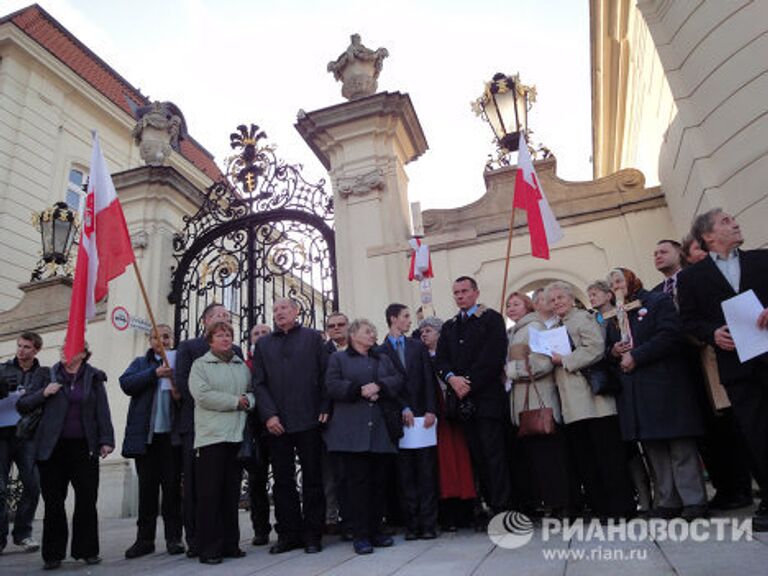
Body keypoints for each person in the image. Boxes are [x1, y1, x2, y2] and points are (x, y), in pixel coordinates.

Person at [677, 208, 768, 532]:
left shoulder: (762, 260)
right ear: (709, 236)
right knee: (756, 433)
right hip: (736, 367)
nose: (736, 222)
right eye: (726, 221)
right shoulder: (691, 279)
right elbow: (688, 320)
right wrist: (711, 332)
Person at [654, 239, 753, 511]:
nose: (657, 256)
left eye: (664, 251)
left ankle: (741, 486)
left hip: (710, 360)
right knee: (704, 431)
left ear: (680, 254)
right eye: (655, 253)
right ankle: (724, 487)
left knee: (727, 426)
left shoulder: (699, 279)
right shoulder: (655, 293)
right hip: (680, 370)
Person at [606, 268, 708, 520]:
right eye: (611, 284)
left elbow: (670, 334)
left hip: (664, 384)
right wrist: (615, 350)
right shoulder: (615, 314)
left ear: (631, 279)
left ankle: (693, 500)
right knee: (654, 447)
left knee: (679, 445)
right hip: (635, 391)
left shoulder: (656, 301)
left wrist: (637, 356)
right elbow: (610, 347)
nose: (616, 286)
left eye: (619, 280)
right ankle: (668, 501)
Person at [17, 342, 114, 570]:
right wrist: (44, 392)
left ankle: (87, 550)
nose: (63, 352)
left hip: (84, 447)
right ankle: (53, 554)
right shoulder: (46, 375)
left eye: (69, 348)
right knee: (53, 502)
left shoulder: (94, 377)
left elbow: (103, 410)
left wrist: (106, 440)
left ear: (82, 354)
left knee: (87, 500)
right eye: (62, 348)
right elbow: (23, 404)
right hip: (52, 449)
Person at [546, 281, 634, 519]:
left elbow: (596, 347)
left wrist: (565, 360)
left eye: (560, 298)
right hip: (572, 405)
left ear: (571, 298)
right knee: (586, 460)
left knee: (609, 458)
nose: (557, 303)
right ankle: (601, 508)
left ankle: (621, 508)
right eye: (552, 300)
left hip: (594, 401)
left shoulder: (582, 318)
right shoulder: (554, 326)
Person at [253, 298, 329, 554]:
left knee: (312, 479)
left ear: (296, 312)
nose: (279, 313)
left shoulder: (312, 338)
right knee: (283, 481)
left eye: (284, 308)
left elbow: (325, 374)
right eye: (275, 309)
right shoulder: (263, 344)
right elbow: (259, 383)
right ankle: (288, 534)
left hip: (309, 420)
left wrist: (324, 408)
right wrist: (269, 415)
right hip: (277, 425)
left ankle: (312, 534)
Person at [324, 318, 403, 554]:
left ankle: (377, 531)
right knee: (357, 486)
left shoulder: (383, 358)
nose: (372, 335)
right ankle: (361, 535)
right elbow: (332, 385)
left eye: (373, 332)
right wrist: (358, 390)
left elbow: (398, 379)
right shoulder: (338, 358)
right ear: (354, 335)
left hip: (379, 431)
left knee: (379, 484)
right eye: (368, 331)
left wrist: (379, 386)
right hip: (351, 432)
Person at [435, 276, 510, 516]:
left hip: (487, 399)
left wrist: (469, 382)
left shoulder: (491, 319)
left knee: (495, 455)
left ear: (476, 293)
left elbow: (493, 356)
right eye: (456, 292)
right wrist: (451, 378)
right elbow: (441, 360)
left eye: (464, 291)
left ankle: (503, 506)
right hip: (462, 402)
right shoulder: (449, 326)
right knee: (477, 457)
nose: (460, 296)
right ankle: (487, 504)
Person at [173, 302, 241, 557]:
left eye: (226, 316)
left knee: (226, 485)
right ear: (205, 321)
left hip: (230, 427)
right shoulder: (190, 348)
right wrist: (220, 403)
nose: (223, 319)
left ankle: (226, 540)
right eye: (217, 316)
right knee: (197, 487)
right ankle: (196, 540)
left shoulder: (235, 350)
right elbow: (185, 385)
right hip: (198, 426)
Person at [189, 322, 254, 564]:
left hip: (235, 436)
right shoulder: (200, 365)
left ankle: (230, 544)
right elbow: (203, 396)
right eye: (219, 335)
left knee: (230, 493)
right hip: (211, 437)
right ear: (210, 340)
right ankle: (209, 548)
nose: (225, 338)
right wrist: (236, 402)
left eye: (228, 335)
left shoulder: (240, 365)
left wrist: (249, 400)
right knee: (209, 495)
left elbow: (251, 391)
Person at [119, 324, 184, 558]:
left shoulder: (178, 361)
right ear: (150, 341)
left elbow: (187, 395)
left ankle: (174, 538)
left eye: (166, 336)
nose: (162, 340)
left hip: (171, 438)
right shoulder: (140, 363)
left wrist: (175, 383)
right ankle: (144, 540)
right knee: (147, 491)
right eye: (157, 337)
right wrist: (154, 374)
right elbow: (126, 384)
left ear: (172, 339)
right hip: (146, 439)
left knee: (171, 491)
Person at [505, 292, 570, 516]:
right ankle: (546, 501)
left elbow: (543, 361)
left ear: (527, 306)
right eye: (508, 305)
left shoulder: (535, 328)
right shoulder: (513, 332)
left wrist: (511, 371)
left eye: (516, 304)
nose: (510, 308)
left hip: (538, 399)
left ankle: (560, 503)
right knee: (534, 457)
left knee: (548, 456)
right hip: (522, 402)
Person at [378, 303, 438, 540]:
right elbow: (385, 385)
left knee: (426, 473)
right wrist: (403, 407)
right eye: (405, 317)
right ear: (393, 319)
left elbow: (428, 379)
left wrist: (432, 409)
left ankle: (429, 524)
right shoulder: (380, 351)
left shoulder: (417, 347)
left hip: (423, 419)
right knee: (405, 476)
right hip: (398, 419)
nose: (409, 321)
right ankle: (411, 525)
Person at [419, 317, 476, 531]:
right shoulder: (420, 356)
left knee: (461, 460)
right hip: (436, 415)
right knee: (442, 464)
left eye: (428, 330)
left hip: (454, 412)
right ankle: (447, 511)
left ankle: (467, 508)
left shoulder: (450, 354)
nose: (424, 334)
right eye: (422, 331)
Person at [0, 332, 44, 555]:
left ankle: (23, 534)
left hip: (27, 435)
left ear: (36, 350)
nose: (21, 350)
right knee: (0, 487)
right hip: (3, 434)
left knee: (32, 484)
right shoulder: (3, 369)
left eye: (26, 347)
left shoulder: (42, 374)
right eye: (19, 346)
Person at [243, 322, 272, 546]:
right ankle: (260, 529)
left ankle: (288, 525)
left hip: (279, 425)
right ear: (250, 339)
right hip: (254, 427)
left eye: (264, 332)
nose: (260, 336)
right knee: (257, 481)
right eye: (256, 333)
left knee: (283, 478)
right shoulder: (245, 365)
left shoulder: (279, 358)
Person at [322, 312, 350, 537]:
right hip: (331, 419)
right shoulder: (322, 352)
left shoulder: (361, 348)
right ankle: (332, 518)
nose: (337, 328)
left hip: (358, 416)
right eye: (332, 326)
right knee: (332, 473)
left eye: (341, 324)